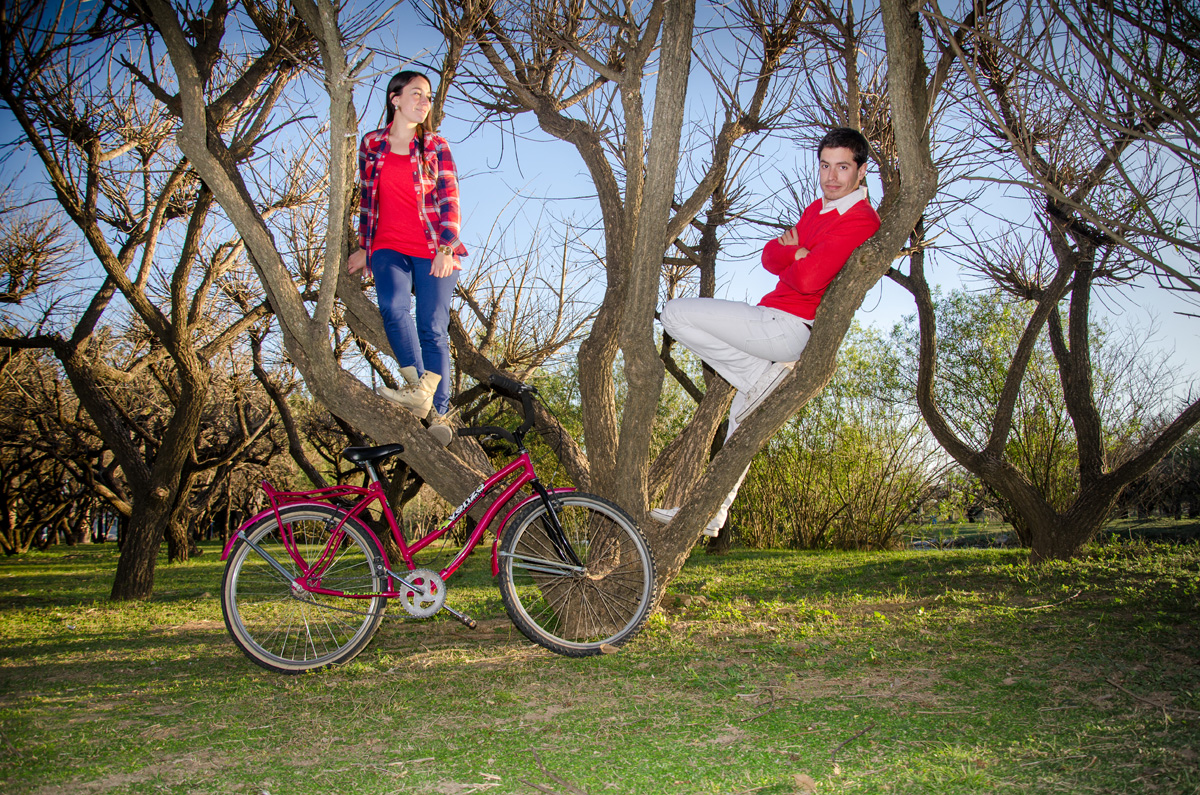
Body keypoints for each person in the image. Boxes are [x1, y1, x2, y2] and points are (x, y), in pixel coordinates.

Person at [653, 127, 881, 536]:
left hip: (789, 327)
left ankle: (756, 376)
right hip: (773, 322)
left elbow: (809, 280)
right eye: (825, 166)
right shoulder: (817, 209)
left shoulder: (861, 220)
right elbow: (770, 257)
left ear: (861, 171)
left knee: (675, 313)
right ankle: (713, 513)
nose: (831, 177)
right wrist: (797, 251)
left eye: (842, 167)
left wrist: (797, 256)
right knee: (741, 431)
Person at [348, 70, 467, 446]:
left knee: (432, 326)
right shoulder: (371, 144)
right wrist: (365, 246)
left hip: (434, 247)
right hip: (388, 244)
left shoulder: (435, 146)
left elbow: (450, 199)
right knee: (392, 308)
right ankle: (420, 390)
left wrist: (446, 248)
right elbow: (368, 199)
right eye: (416, 93)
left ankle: (442, 413)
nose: (424, 101)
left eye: (428, 96)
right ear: (395, 99)